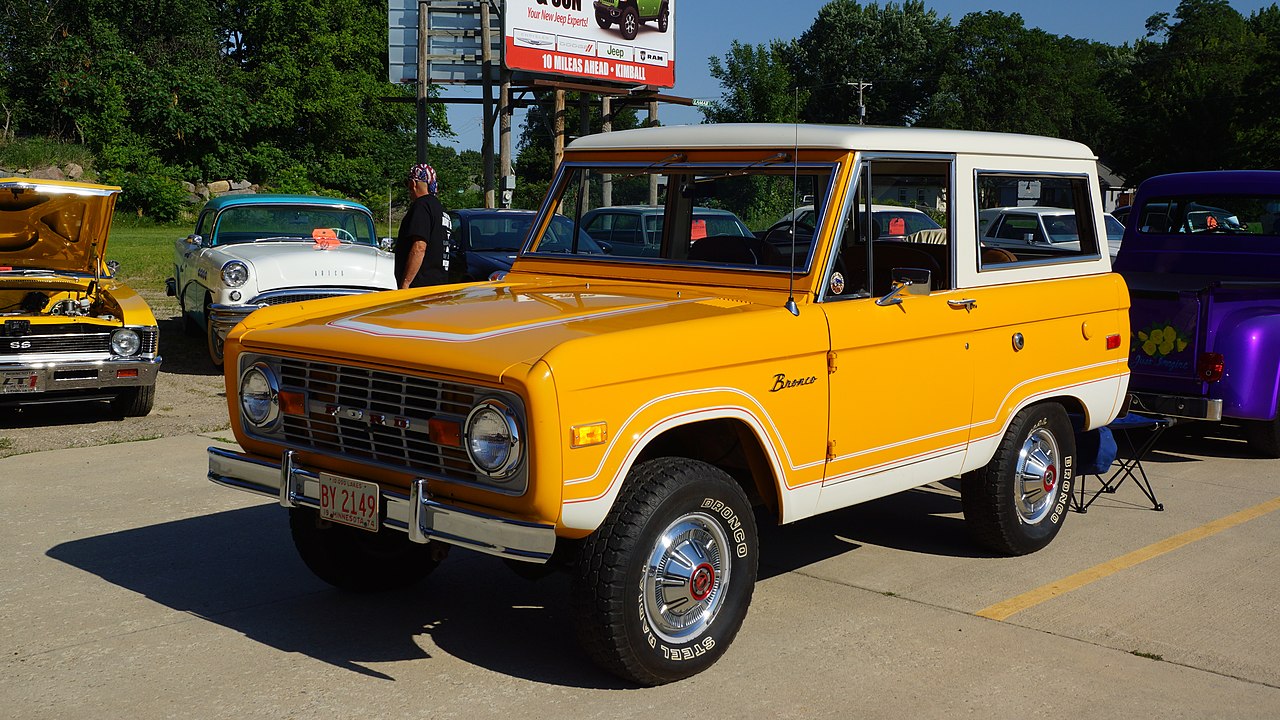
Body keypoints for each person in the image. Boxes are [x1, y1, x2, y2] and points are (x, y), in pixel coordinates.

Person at [395, 163, 452, 289]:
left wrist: (406, 283)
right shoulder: (441, 210)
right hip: (440, 286)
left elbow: (419, 247)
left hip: (420, 288)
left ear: (413, 184)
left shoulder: (422, 206)